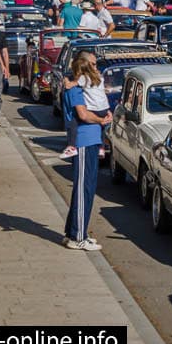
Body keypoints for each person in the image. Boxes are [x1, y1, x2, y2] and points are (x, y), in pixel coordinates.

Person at [62, 51, 111, 252]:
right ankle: (79, 236)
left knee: (86, 189)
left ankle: (73, 232)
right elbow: (82, 114)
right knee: (84, 190)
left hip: (91, 140)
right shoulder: (76, 89)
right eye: (93, 64)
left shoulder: (83, 85)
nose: (96, 67)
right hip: (83, 141)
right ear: (84, 66)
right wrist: (101, 120)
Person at [60, 51, 110, 160]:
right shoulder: (99, 77)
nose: (95, 66)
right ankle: (101, 148)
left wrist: (67, 82)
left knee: (74, 120)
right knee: (103, 127)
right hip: (104, 108)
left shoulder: (83, 80)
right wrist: (108, 112)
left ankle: (71, 146)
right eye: (93, 64)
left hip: (85, 139)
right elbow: (102, 91)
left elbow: (83, 115)